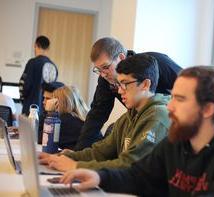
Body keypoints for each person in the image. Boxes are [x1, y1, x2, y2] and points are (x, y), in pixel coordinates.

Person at [60, 66, 214, 197]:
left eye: (180, 99)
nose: (169, 107)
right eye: (172, 97)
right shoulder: (177, 141)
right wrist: (100, 177)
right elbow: (138, 176)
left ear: (208, 109)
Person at [39, 54, 170, 172]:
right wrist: (68, 156)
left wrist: (76, 166)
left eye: (125, 84)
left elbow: (131, 165)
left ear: (145, 84)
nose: (119, 91)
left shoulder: (157, 117)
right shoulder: (127, 118)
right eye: (119, 84)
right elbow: (100, 152)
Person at [74, 37, 182, 150]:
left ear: (121, 57)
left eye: (105, 67)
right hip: (141, 120)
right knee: (114, 131)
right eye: (98, 70)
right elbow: (97, 114)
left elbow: (189, 87)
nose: (103, 75)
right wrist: (78, 152)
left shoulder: (158, 62)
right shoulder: (106, 79)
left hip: (168, 123)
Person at [19, 35, 58, 115]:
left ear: (36, 45)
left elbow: (25, 86)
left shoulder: (32, 63)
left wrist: (22, 99)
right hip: (46, 110)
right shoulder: (53, 66)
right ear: (48, 48)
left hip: (30, 108)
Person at [44, 85, 89, 150]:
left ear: (59, 102)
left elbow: (44, 138)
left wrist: (50, 111)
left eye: (53, 100)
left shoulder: (67, 120)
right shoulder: (81, 118)